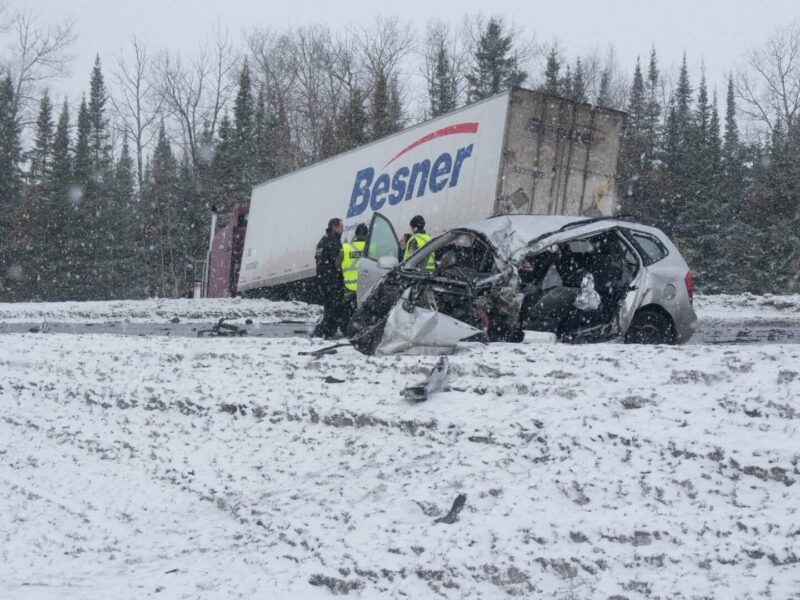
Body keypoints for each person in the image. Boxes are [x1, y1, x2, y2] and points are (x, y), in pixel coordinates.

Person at [314, 217, 346, 338]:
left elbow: (319, 260)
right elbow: (337, 262)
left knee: (330, 306)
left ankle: (325, 331)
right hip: (332, 280)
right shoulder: (333, 241)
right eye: (341, 226)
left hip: (325, 279)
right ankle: (326, 331)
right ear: (334, 227)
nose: (343, 229)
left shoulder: (323, 240)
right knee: (334, 306)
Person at [341, 223, 368, 327]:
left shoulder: (346, 248)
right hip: (364, 285)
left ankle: (346, 327)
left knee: (346, 309)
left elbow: (337, 265)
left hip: (348, 286)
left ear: (355, 234)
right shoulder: (370, 248)